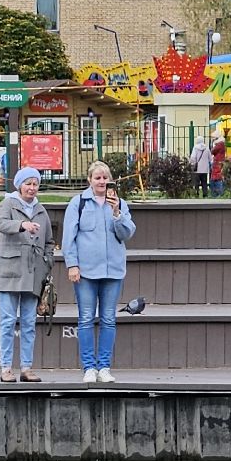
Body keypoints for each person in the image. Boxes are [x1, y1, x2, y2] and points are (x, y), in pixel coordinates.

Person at [62, 160, 136, 384]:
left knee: (108, 319)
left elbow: (127, 234)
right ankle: (89, 368)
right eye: (97, 178)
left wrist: (117, 213)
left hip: (113, 271)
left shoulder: (120, 204)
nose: (102, 182)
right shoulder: (78, 203)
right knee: (86, 319)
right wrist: (72, 264)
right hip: (85, 272)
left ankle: (104, 366)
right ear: (90, 180)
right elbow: (68, 237)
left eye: (105, 178)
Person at [0, 166, 51, 382]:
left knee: (29, 322)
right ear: (19, 185)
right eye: (28, 183)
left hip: (33, 272)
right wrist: (22, 225)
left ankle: (26, 368)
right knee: (8, 321)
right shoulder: (8, 203)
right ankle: (6, 368)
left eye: (35, 184)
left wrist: (47, 261)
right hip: (10, 271)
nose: (32, 188)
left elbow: (49, 241)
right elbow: (1, 224)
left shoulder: (41, 210)